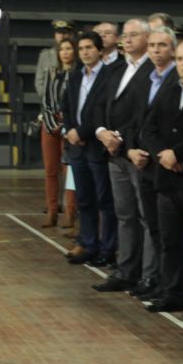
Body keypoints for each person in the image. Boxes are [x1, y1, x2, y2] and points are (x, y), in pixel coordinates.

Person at [137, 32, 183, 312]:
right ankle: (172, 292)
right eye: (181, 59)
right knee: (169, 240)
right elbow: (148, 127)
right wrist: (162, 153)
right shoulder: (170, 88)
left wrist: (177, 153)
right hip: (165, 175)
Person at [95, 18, 150, 290]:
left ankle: (148, 275)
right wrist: (102, 132)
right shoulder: (117, 68)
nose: (126, 39)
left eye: (133, 35)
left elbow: (143, 113)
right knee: (125, 215)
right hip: (114, 152)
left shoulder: (152, 70)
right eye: (125, 35)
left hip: (135, 151)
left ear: (147, 38)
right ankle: (126, 270)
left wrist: (121, 140)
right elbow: (101, 104)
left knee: (145, 217)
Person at [63, 30, 118, 268]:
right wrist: (70, 130)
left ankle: (108, 248)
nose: (85, 52)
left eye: (89, 47)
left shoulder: (109, 75)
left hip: (96, 146)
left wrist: (82, 132)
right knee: (84, 199)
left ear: (99, 50)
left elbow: (102, 111)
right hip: (77, 147)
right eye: (81, 48)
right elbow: (67, 106)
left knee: (104, 200)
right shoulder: (75, 76)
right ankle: (88, 244)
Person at [38, 36, 75, 228]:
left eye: (69, 49)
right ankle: (52, 212)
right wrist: (53, 125)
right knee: (50, 170)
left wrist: (66, 126)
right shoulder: (52, 73)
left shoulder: (78, 74)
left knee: (70, 172)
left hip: (69, 127)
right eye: (62, 49)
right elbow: (45, 101)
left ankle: (70, 213)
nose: (65, 53)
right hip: (50, 125)